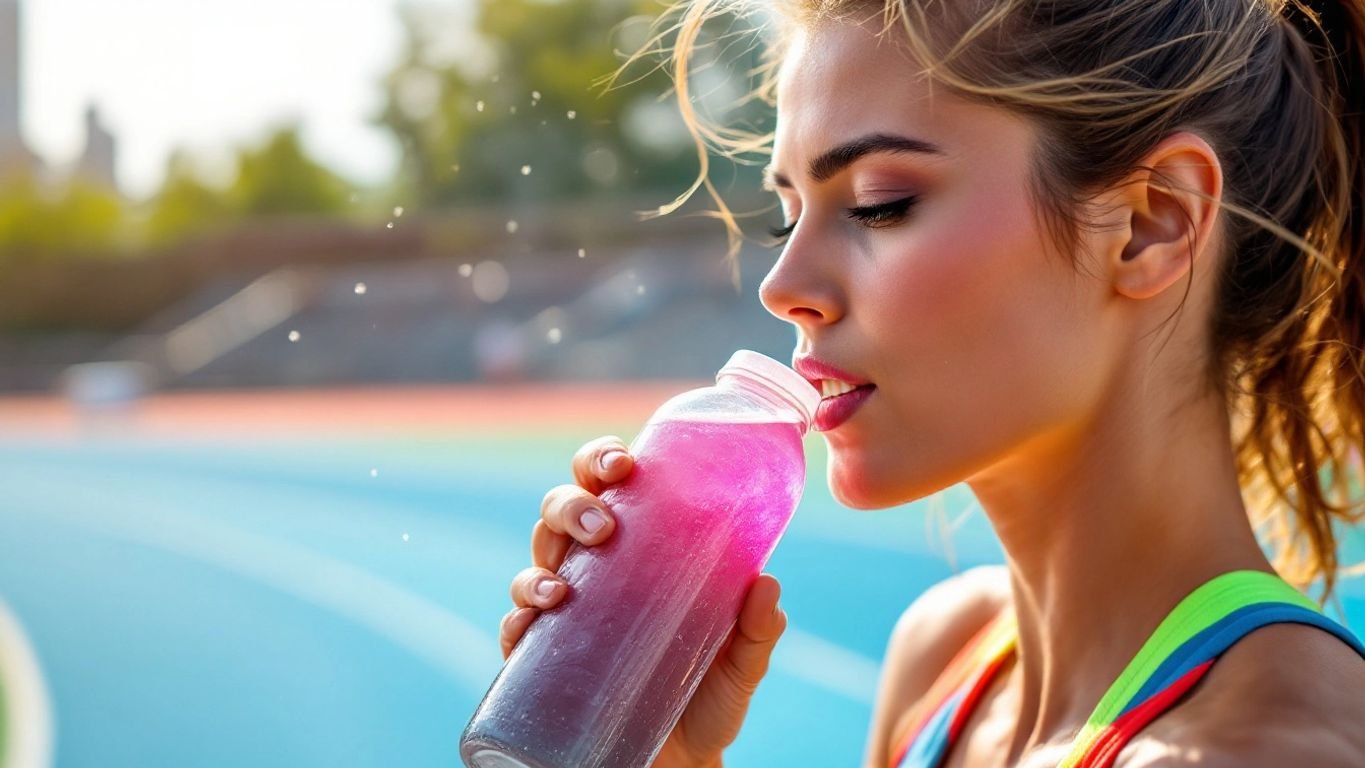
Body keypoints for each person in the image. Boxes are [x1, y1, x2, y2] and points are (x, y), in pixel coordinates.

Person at [500, 0, 1365, 765]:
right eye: (785, 213)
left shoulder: (1268, 748)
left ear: (1149, 225)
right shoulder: (944, 657)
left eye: (879, 203)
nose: (781, 286)